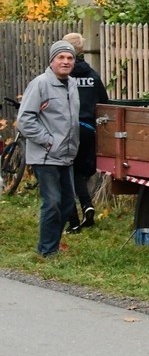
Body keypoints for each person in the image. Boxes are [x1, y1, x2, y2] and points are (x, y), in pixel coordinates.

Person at [17, 40, 80, 257]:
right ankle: (46, 250)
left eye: (69, 58)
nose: (65, 62)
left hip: (67, 155)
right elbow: (25, 120)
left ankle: (52, 243)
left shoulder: (72, 84)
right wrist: (49, 141)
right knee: (52, 202)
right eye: (61, 58)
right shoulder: (40, 84)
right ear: (52, 60)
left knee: (68, 204)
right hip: (45, 155)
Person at [62, 32, 109, 233]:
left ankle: (72, 221)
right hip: (89, 129)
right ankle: (87, 205)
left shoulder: (63, 75)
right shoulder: (92, 75)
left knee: (65, 172)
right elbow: (104, 101)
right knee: (79, 173)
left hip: (68, 128)